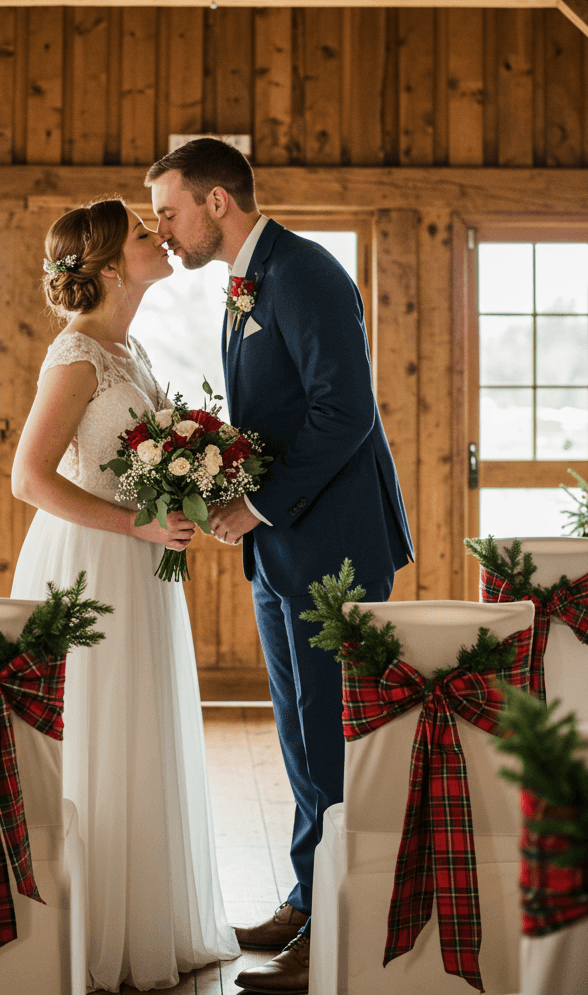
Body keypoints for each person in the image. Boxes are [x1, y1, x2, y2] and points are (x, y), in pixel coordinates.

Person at [147, 140, 414, 995]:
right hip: (283, 545)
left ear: (218, 201)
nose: (164, 229)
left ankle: (340, 922)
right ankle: (308, 893)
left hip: (331, 541)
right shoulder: (246, 281)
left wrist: (255, 503)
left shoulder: (303, 271)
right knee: (301, 730)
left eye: (170, 210)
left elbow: (347, 412)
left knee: (333, 729)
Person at [10, 198, 239, 993]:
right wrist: (136, 526)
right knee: (97, 726)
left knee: (139, 724)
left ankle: (147, 917)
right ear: (109, 267)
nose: (160, 240)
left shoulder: (127, 346)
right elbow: (30, 479)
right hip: (89, 562)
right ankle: (90, 929)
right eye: (145, 235)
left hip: (137, 560)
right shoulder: (77, 355)